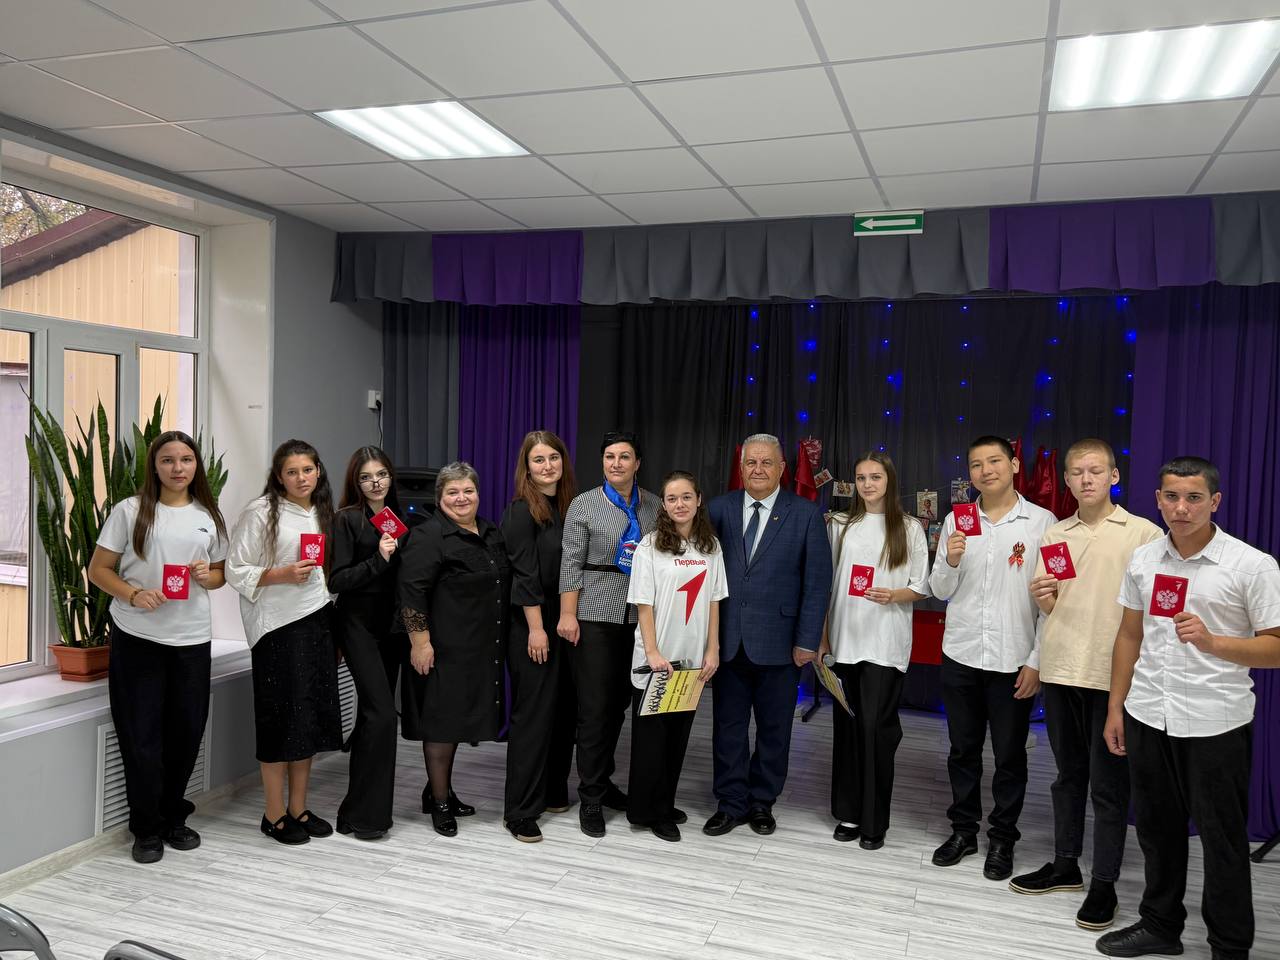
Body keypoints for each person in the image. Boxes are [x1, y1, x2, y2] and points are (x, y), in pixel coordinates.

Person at [1096, 457, 1280, 960]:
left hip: (1215, 722)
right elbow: (1129, 635)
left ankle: (1229, 946)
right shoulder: (1144, 559)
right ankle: (1161, 925)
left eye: (1194, 498)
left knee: (1222, 842)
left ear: (1214, 502)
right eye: (1172, 497)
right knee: (1157, 831)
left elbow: (1276, 647)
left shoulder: (1251, 565)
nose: (1182, 508)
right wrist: (1116, 708)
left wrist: (1214, 642)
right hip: (1148, 714)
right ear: (1158, 499)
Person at [1008, 440, 1161, 930]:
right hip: (1061, 669)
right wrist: (1044, 598)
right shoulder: (1056, 533)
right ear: (1067, 480)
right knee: (1067, 775)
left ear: (1114, 476)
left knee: (1109, 787)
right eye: (1077, 472)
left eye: (1096, 470)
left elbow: (1152, 614)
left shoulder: (1143, 534)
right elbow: (1055, 605)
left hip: (1113, 676)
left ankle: (1105, 884)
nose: (1086, 479)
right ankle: (1065, 864)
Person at [88, 431, 228, 864]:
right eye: (168, 460)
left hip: (192, 640)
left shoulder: (208, 515)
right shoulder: (129, 511)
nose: (177, 468)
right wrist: (133, 594)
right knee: (142, 738)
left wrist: (207, 576)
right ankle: (146, 829)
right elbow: (98, 569)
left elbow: (220, 574)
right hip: (139, 638)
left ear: (196, 465)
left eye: (186, 459)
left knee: (186, 735)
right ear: (154, 466)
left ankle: (173, 818)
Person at [927, 435, 1054, 881]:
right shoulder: (956, 519)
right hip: (961, 653)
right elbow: (939, 589)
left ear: (1014, 465)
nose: (986, 471)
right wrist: (951, 560)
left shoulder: (1043, 523)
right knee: (962, 751)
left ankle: (1002, 839)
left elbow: (1053, 602)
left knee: (1009, 757)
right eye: (977, 464)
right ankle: (963, 831)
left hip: (1013, 659)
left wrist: (1036, 660)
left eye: (995, 461)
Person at [704, 433, 832, 837]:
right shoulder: (718, 509)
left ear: (781, 468)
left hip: (781, 643)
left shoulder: (806, 513)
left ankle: (762, 801)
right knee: (728, 727)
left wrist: (808, 640)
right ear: (741, 468)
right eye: (750, 462)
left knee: (775, 729)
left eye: (766, 463)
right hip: (727, 641)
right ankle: (730, 802)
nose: (757, 469)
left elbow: (817, 583)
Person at [226, 439, 342, 846]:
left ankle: (299, 808)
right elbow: (235, 569)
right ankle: (273, 813)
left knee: (307, 719)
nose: (301, 478)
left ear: (318, 471)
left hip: (318, 620)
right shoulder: (260, 512)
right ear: (279, 477)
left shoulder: (323, 512)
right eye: (292, 472)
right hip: (277, 627)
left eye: (307, 470)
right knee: (280, 720)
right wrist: (281, 574)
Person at [818, 452, 929, 850]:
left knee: (876, 731)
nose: (867, 484)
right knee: (848, 730)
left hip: (885, 644)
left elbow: (922, 586)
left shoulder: (910, 527)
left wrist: (893, 595)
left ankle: (874, 820)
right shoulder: (840, 525)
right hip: (845, 642)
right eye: (861, 477)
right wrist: (824, 637)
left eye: (875, 477)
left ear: (889, 481)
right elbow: (826, 584)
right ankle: (849, 813)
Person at [398, 461, 510, 837]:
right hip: (442, 648)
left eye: (468, 491)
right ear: (439, 497)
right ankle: (440, 804)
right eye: (452, 492)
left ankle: (438, 790)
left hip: (478, 647)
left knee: (458, 721)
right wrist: (420, 643)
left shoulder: (490, 531)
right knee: (442, 724)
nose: (461, 498)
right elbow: (412, 593)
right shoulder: (428, 536)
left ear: (478, 493)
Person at [558, 431, 661, 838]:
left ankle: (605, 781)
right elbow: (571, 563)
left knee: (620, 706)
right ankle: (590, 797)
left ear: (638, 464)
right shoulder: (584, 504)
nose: (616, 463)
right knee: (595, 710)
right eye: (609, 456)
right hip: (595, 613)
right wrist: (568, 614)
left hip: (640, 618)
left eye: (624, 457)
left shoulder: (655, 505)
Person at [626, 471, 727, 842]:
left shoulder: (710, 547)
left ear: (698, 500)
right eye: (672, 498)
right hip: (658, 661)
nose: (679, 504)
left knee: (677, 737)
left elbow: (714, 601)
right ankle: (648, 812)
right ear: (663, 505)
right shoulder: (650, 546)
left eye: (686, 497)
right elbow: (643, 604)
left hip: (691, 662)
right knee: (652, 741)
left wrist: (712, 648)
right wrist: (653, 652)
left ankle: (664, 803)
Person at [500, 431, 579, 843]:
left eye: (553, 457)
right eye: (538, 460)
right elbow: (524, 574)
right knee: (533, 717)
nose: (547, 466)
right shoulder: (520, 511)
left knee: (564, 711)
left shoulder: (570, 507)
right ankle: (520, 811)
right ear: (526, 468)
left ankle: (552, 791)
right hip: (533, 622)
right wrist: (536, 629)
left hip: (568, 620)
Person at [329, 446, 407, 841]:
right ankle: (368, 817)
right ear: (355, 482)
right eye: (366, 477)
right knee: (382, 716)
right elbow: (337, 580)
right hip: (357, 625)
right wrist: (378, 558)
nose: (375, 483)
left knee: (370, 718)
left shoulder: (397, 518)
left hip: (390, 628)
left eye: (381, 474)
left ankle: (352, 812)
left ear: (390, 477)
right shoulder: (346, 519)